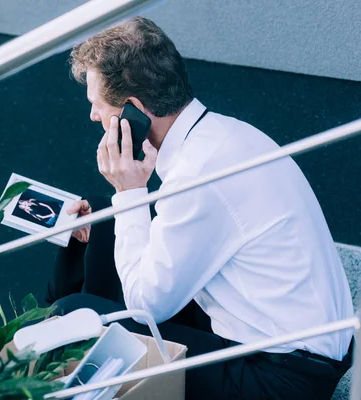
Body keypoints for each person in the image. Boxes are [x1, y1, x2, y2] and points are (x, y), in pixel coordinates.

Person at [45, 16, 355, 399]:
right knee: (107, 231)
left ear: (133, 112)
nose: (93, 115)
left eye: (97, 104)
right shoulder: (224, 134)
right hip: (299, 348)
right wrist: (119, 209)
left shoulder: (198, 173)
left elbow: (148, 305)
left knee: (72, 315)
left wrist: (128, 191)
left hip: (276, 377)